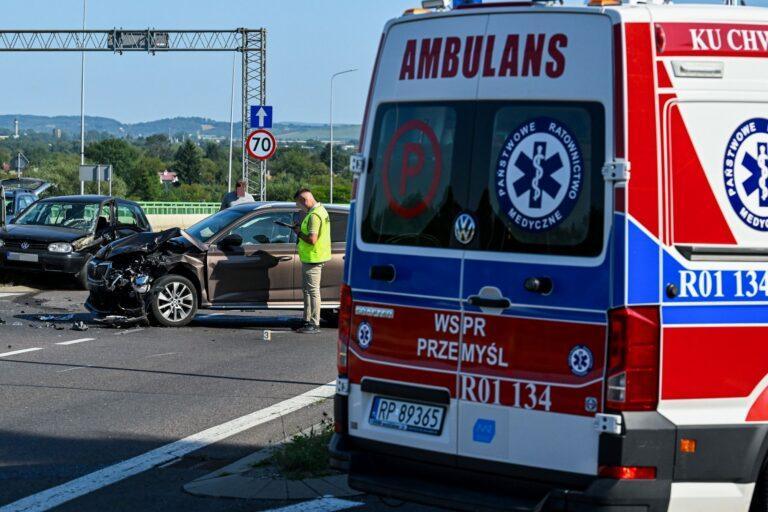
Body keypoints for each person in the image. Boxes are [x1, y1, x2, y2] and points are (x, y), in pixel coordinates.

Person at [292, 188, 331, 334]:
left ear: (304, 200)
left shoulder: (314, 215)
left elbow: (312, 239)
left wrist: (298, 233)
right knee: (307, 290)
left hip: (313, 257)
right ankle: (307, 320)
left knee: (313, 291)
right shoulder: (321, 210)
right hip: (312, 257)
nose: (300, 208)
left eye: (299, 205)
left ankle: (314, 323)